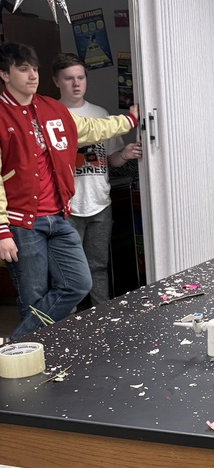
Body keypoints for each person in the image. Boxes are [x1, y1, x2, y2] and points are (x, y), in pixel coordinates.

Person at [0, 42, 139, 342]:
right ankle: (36, 352)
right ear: (4, 74)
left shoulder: (52, 109)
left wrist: (129, 120)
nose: (32, 75)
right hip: (23, 222)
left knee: (78, 282)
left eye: (35, 69)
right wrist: (2, 230)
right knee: (34, 296)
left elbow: (91, 128)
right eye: (23, 69)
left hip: (59, 216)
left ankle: (14, 346)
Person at [52, 53, 142, 307]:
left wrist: (124, 154)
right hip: (66, 208)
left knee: (99, 266)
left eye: (81, 77)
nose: (76, 84)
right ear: (56, 81)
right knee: (68, 272)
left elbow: (110, 160)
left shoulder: (100, 114)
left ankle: (102, 315)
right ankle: (70, 321)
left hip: (100, 203)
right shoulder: (51, 115)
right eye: (69, 78)